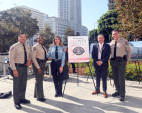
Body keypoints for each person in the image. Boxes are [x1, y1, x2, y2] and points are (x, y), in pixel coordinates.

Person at [9, 33, 31, 110]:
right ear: (18, 38)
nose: (23, 38)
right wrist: (14, 70)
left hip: (25, 68)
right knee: (17, 86)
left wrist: (29, 60)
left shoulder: (27, 46)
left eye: (24, 37)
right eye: (21, 37)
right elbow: (11, 59)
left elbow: (29, 56)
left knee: (23, 84)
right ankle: (16, 102)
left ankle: (22, 98)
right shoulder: (14, 47)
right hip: (17, 68)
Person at [110, 30, 132, 101]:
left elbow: (129, 50)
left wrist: (127, 60)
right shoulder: (111, 43)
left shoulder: (124, 41)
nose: (115, 35)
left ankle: (122, 94)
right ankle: (118, 91)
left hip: (121, 62)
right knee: (115, 77)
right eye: (113, 34)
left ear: (118, 34)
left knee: (121, 78)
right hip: (113, 62)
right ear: (112, 35)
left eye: (116, 33)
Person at [32, 35, 47, 102]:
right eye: (39, 38)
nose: (40, 39)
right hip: (37, 64)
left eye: (41, 38)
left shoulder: (43, 46)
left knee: (38, 79)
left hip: (42, 64)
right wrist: (38, 67)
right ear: (37, 39)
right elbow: (33, 58)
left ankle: (36, 94)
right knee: (39, 81)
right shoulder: (35, 47)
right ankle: (40, 97)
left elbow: (44, 55)